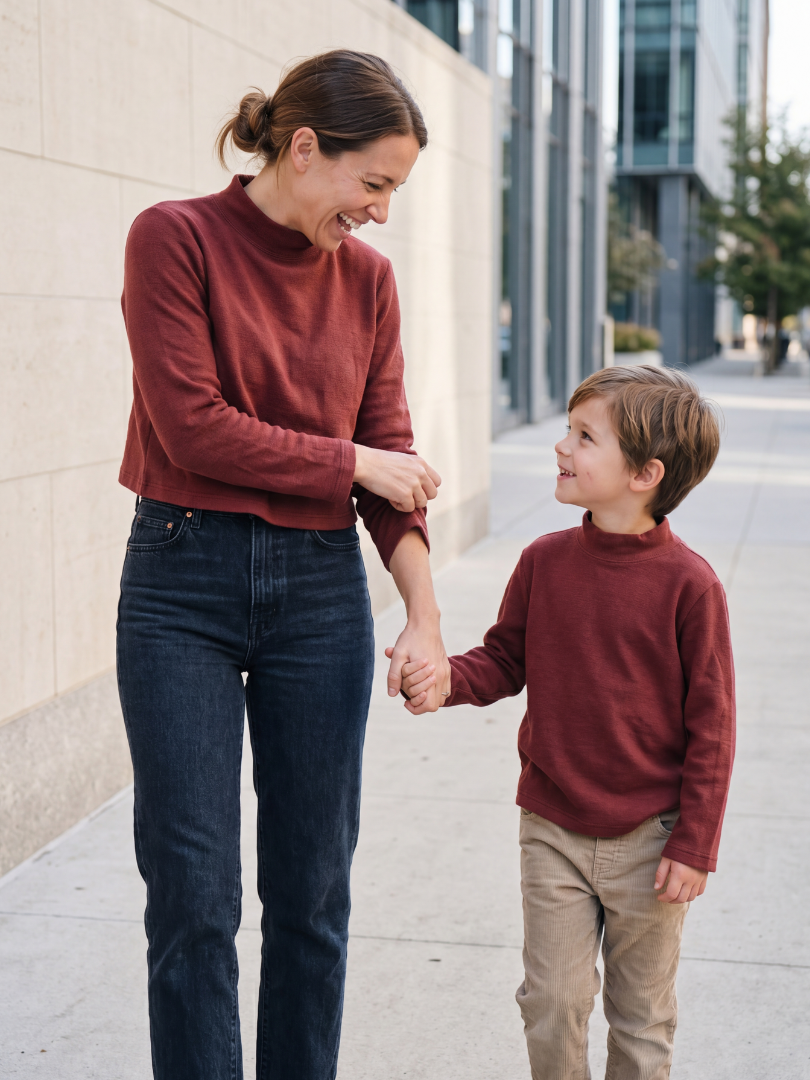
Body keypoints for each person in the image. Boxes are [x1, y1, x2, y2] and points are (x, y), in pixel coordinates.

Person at [116, 49, 450, 1080]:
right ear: (305, 149)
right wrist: (354, 461)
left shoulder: (371, 283)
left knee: (311, 896)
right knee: (193, 897)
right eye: (374, 183)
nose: (382, 211)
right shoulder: (174, 238)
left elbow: (390, 469)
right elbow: (194, 431)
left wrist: (424, 617)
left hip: (319, 594)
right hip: (181, 584)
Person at [400, 365, 735, 1079]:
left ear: (645, 473)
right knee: (552, 999)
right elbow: (503, 659)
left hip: (653, 839)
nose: (562, 447)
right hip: (552, 826)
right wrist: (446, 681)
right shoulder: (544, 562)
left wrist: (696, 842)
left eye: (585, 437)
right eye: (568, 430)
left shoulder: (691, 586)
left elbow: (713, 726)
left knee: (642, 1020)